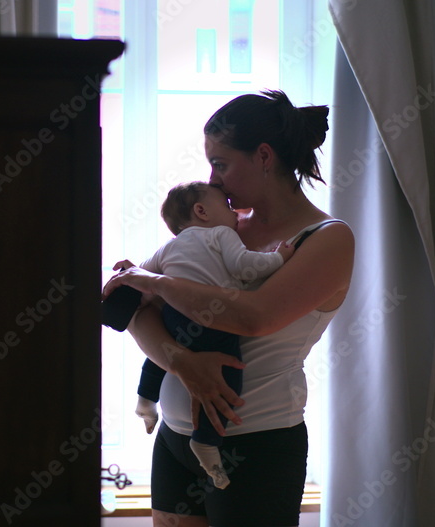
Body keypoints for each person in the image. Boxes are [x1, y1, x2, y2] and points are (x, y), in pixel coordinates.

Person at [102, 90, 354, 527]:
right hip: (175, 438)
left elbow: (253, 317)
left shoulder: (327, 238)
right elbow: (135, 310)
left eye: (220, 164)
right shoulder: (219, 227)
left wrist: (155, 282)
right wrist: (180, 362)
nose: (212, 180)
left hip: (256, 446)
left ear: (263, 156)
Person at [128, 180, 295, 489]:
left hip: (175, 316)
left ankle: (145, 401)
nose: (235, 213)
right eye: (228, 206)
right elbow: (244, 266)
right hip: (213, 321)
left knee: (162, 354)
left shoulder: (168, 247)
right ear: (202, 211)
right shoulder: (221, 234)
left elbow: (140, 277)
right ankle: (206, 440)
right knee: (228, 372)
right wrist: (279, 258)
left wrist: (126, 275)